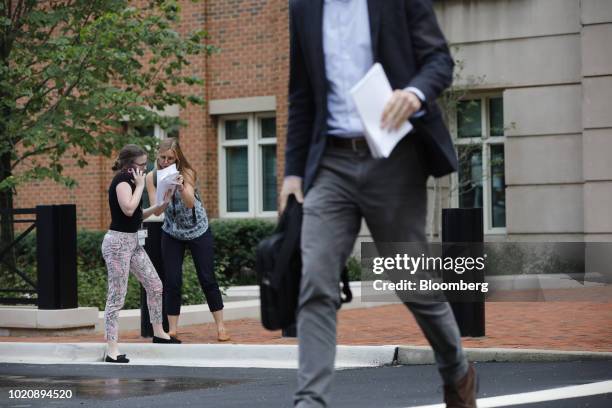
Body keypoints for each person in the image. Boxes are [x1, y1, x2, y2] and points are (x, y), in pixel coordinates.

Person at [281, 1, 477, 407]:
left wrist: (415, 93)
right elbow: (301, 95)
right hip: (331, 162)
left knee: (412, 281)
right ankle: (310, 401)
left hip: (394, 157)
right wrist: (293, 174)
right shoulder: (303, 7)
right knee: (315, 280)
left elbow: (438, 60)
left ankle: (456, 369)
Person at [146, 138, 230, 342]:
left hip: (197, 229)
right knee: (172, 280)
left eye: (170, 158)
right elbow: (157, 210)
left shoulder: (187, 172)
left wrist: (181, 187)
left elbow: (191, 203)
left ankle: (221, 327)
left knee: (207, 277)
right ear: (158, 156)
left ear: (177, 157)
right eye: (162, 157)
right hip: (172, 231)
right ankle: (172, 329)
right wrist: (164, 194)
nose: (165, 162)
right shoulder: (152, 177)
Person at [102, 144, 179, 364]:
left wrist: (160, 204)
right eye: (142, 165)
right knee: (116, 297)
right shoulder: (121, 182)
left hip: (133, 242)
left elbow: (135, 215)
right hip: (117, 244)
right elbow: (127, 208)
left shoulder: (132, 182)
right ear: (129, 165)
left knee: (155, 285)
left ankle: (159, 333)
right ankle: (112, 349)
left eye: (146, 164)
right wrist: (139, 186)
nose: (145, 169)